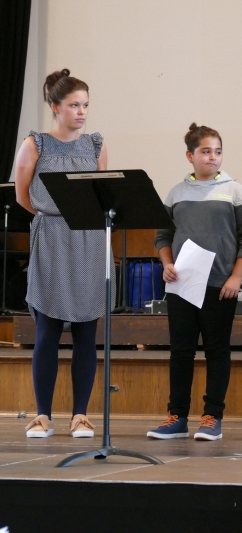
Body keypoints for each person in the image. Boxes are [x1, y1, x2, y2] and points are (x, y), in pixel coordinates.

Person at [147, 123, 242, 441]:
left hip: (220, 286)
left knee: (216, 351)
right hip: (182, 287)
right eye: (206, 151)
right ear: (190, 156)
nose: (213, 157)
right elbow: (163, 235)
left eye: (218, 151)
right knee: (181, 352)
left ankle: (212, 417)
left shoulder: (235, 191)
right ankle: (177, 416)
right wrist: (167, 264)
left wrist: (236, 277)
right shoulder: (176, 193)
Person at [14, 69, 109, 439]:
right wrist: (51, 217)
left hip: (89, 239)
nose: (81, 112)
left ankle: (80, 415)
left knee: (86, 331)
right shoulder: (35, 143)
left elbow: (100, 194)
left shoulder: (96, 145)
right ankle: (42, 415)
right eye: (73, 105)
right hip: (52, 237)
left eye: (85, 105)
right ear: (55, 107)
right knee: (48, 329)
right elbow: (23, 194)